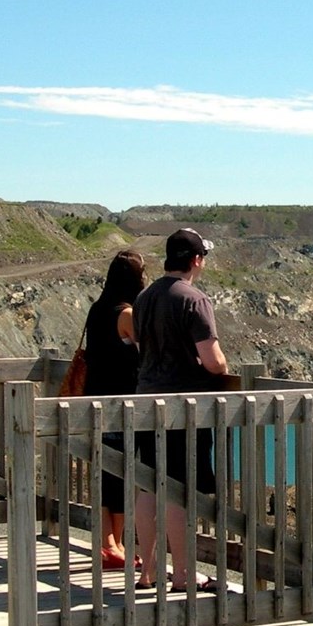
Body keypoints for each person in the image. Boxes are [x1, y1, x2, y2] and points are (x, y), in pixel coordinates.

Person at [132, 228, 228, 591]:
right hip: (182, 410)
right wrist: (221, 366)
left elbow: (142, 344)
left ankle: (148, 571)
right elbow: (213, 361)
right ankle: (184, 576)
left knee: (148, 487)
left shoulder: (144, 298)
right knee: (178, 491)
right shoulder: (195, 300)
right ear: (196, 260)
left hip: (144, 403)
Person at [82, 250, 146, 570]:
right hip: (120, 403)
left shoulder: (97, 309)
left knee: (105, 472)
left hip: (93, 399)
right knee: (119, 474)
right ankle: (114, 543)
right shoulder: (125, 314)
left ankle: (109, 542)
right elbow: (147, 349)